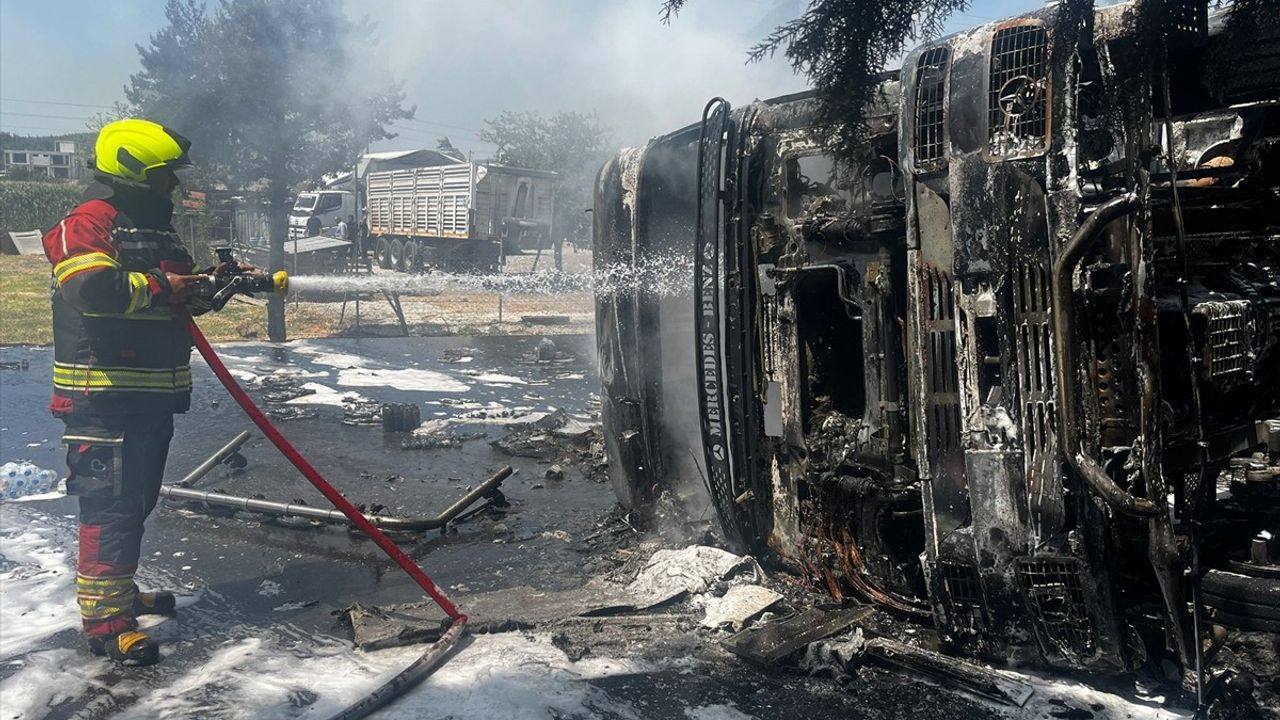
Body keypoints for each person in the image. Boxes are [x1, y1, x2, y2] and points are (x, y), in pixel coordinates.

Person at [41, 118, 256, 667]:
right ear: (134, 170)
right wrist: (166, 286)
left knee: (136, 502)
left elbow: (175, 298)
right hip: (102, 396)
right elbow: (92, 288)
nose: (175, 186)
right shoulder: (88, 222)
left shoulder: (154, 228)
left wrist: (217, 283)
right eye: (166, 175)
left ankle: (120, 592)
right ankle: (107, 623)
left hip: (152, 397)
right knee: (109, 508)